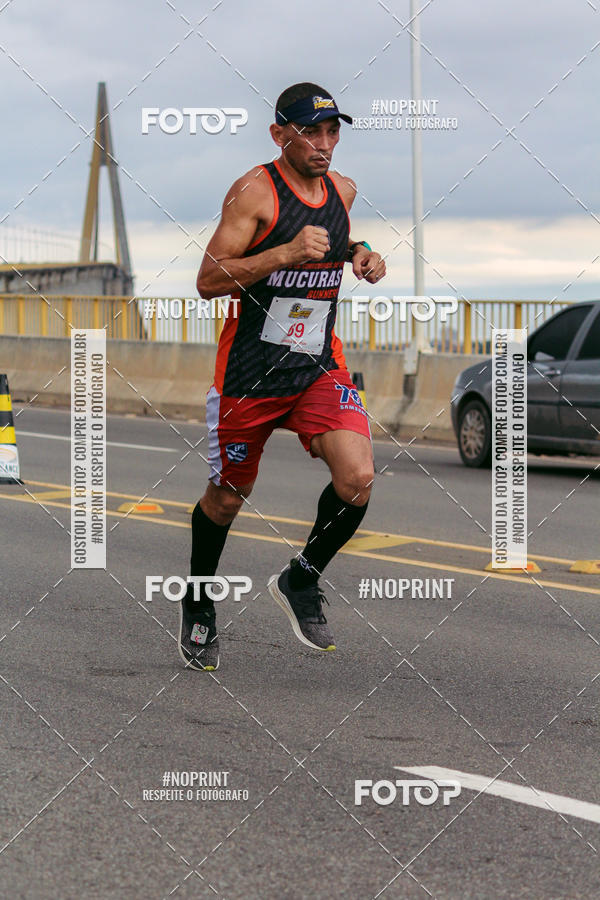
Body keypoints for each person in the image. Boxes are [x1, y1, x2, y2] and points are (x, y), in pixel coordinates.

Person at [178, 82, 386, 670]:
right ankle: (198, 600)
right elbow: (210, 279)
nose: (324, 144)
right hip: (250, 373)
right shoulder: (254, 193)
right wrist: (282, 255)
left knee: (359, 478)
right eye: (310, 132)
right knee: (227, 497)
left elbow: (341, 242)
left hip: (318, 363)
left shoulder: (342, 189)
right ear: (279, 135)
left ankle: (301, 578)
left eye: (332, 131)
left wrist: (363, 255)